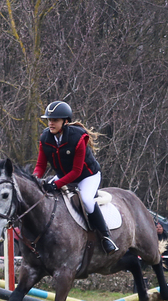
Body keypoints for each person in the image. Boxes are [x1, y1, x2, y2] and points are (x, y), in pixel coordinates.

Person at [33, 100, 118, 253]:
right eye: (49, 120)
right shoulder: (45, 138)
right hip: (63, 175)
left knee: (86, 200)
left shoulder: (78, 138)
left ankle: (106, 237)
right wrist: (34, 180)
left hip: (87, 176)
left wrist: (56, 185)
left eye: (55, 120)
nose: (50, 123)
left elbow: (76, 172)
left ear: (65, 121)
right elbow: (40, 166)